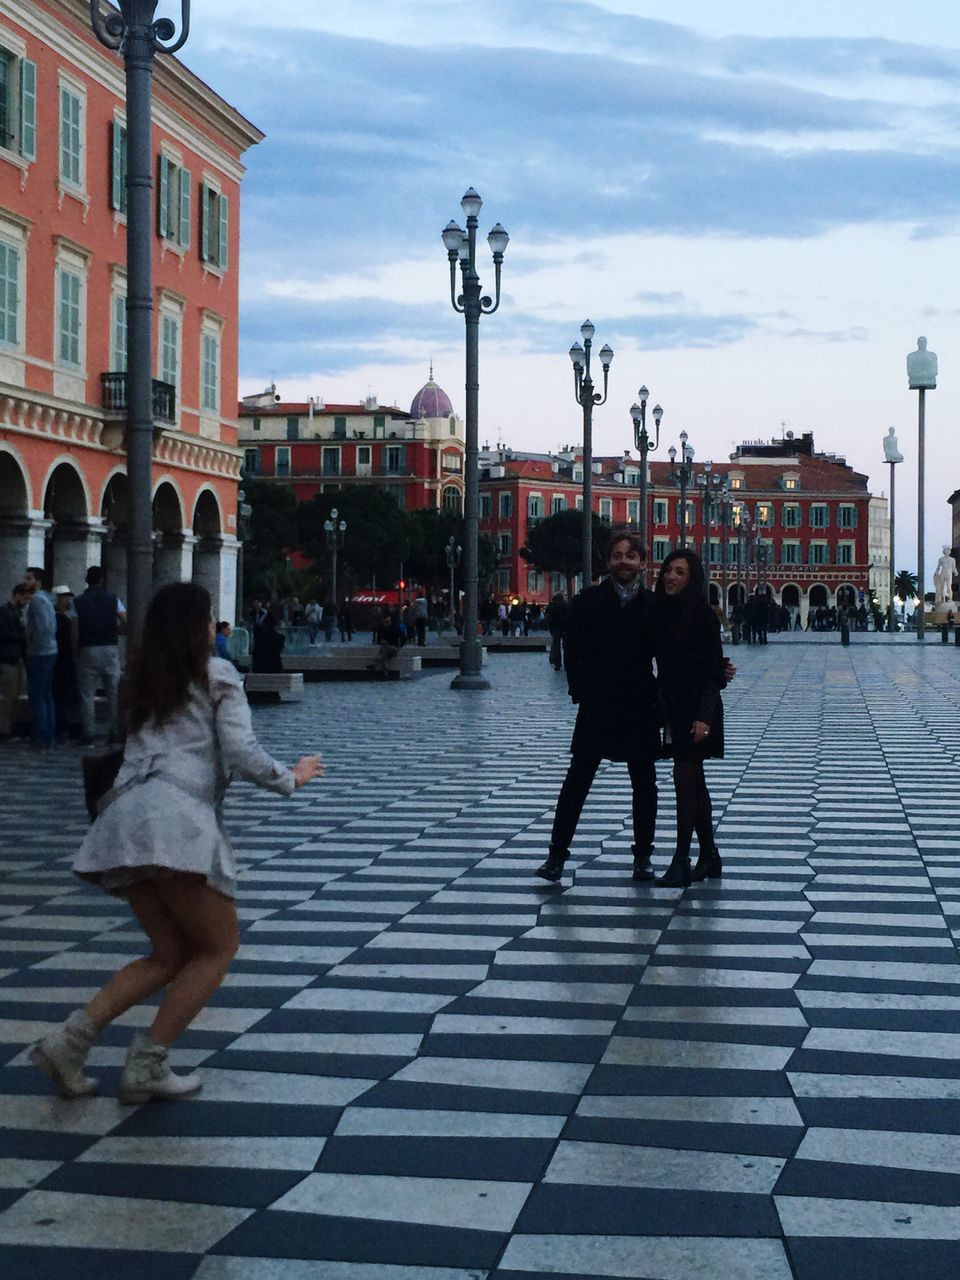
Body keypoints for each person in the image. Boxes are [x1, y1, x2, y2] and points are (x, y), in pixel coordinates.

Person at [30, 581, 324, 1103]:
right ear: (198, 626)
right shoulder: (217, 675)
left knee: (168, 952)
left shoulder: (144, 680)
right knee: (218, 948)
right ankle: (148, 1062)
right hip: (176, 822)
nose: (214, 626)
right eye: (209, 618)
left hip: (125, 817)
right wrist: (291, 776)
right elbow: (240, 750)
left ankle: (68, 1042)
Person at [536, 533, 661, 885]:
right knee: (577, 780)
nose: (624, 561)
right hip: (598, 703)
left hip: (639, 702)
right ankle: (556, 856)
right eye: (617, 555)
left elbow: (671, 653)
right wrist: (582, 691)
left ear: (642, 562)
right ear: (608, 562)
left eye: (631, 556)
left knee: (645, 783)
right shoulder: (589, 600)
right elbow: (574, 651)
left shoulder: (653, 605)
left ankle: (643, 857)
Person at [650, 550, 726, 888]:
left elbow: (711, 671)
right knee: (694, 783)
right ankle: (708, 855)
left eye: (680, 572)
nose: (671, 577)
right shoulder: (659, 612)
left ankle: (681, 859)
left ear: (692, 577)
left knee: (685, 781)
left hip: (699, 711)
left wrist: (704, 717)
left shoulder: (703, 616)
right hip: (673, 708)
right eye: (668, 570)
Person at [74, 565, 124, 745]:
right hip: (110, 647)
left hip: (88, 648)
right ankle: (116, 730)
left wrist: (76, 650)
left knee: (87, 694)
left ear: (87, 580)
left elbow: (75, 629)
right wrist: (116, 631)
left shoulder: (78, 601)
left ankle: (89, 733)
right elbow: (125, 619)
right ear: (102, 580)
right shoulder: (113, 599)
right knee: (114, 692)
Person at [24, 566, 58, 748]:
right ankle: (48, 733)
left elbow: (43, 628)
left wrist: (32, 642)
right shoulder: (47, 599)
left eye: (29, 578)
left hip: (40, 653)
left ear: (37, 581)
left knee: (37, 696)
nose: (26, 581)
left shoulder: (37, 600)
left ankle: (40, 735)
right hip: (50, 651)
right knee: (46, 695)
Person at [0, 582, 28, 739]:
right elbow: (5, 634)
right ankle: (5, 730)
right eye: (24, 598)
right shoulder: (5, 612)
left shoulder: (16, 612)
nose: (25, 602)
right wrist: (22, 636)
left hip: (15, 658)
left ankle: (8, 727)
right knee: (8, 697)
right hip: (8, 659)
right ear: (17, 595)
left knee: (14, 696)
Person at [52, 585, 79, 740]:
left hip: (61, 661)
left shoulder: (63, 618)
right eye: (65, 597)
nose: (68, 600)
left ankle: (61, 728)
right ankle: (62, 729)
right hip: (61, 662)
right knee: (60, 696)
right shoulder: (60, 619)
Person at [545, 592, 568, 670]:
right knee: (566, 646)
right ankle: (567, 662)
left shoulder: (553, 606)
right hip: (565, 628)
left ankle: (558, 664)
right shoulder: (566, 605)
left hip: (556, 628)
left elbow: (549, 618)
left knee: (556, 646)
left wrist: (550, 628)